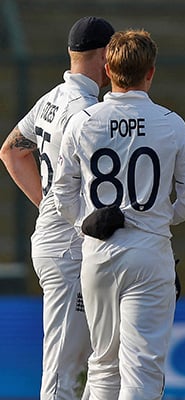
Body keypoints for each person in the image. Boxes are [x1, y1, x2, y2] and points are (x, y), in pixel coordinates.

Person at [52, 29, 185, 399]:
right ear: (150, 72)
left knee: (104, 364)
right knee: (143, 367)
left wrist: (84, 222)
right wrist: (155, 218)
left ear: (107, 69)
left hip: (99, 252)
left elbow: (61, 194)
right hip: (149, 252)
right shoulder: (171, 122)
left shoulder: (84, 120)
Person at [0, 16, 114, 399]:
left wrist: (45, 203)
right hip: (68, 247)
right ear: (103, 56)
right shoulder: (84, 110)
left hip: (57, 238)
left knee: (79, 364)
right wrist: (55, 207)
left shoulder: (53, 98)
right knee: (66, 368)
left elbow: (12, 151)